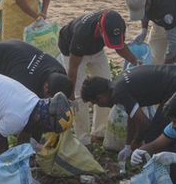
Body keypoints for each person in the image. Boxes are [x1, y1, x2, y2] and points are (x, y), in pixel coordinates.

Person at [57, 9, 139, 139]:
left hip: (96, 50)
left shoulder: (117, 24)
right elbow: (73, 70)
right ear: (100, 29)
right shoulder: (82, 33)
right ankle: (83, 138)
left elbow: (120, 47)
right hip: (72, 51)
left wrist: (135, 61)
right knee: (79, 95)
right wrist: (71, 94)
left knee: (107, 87)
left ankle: (100, 132)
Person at [80, 63, 176, 147]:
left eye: (96, 103)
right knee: (167, 129)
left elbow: (144, 123)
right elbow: (133, 117)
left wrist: (137, 141)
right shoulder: (117, 83)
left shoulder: (118, 94)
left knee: (154, 137)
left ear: (100, 97)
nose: (99, 105)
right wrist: (128, 145)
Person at [0, 40, 71, 98]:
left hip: (13, 49)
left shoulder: (60, 70)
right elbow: (17, 110)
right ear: (46, 89)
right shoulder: (24, 85)